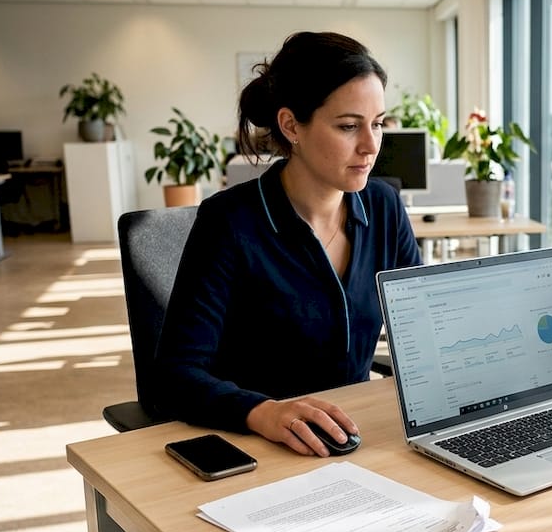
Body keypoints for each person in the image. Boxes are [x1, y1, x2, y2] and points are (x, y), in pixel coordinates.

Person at [153, 31, 421, 456]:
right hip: (261, 444)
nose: (371, 146)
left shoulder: (384, 206)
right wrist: (263, 412)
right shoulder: (229, 221)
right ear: (291, 125)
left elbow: (421, 327)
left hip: (352, 436)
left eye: (377, 124)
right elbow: (175, 374)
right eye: (349, 126)